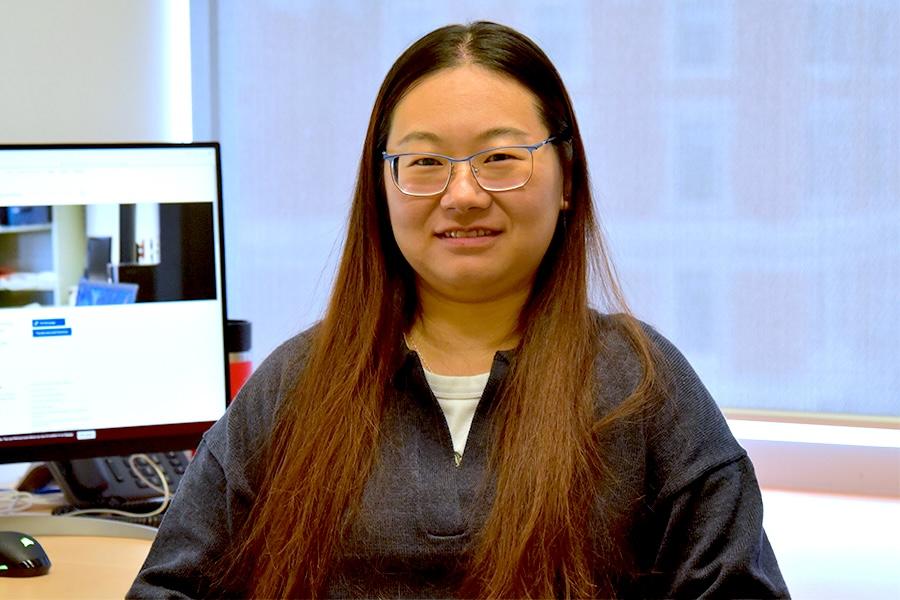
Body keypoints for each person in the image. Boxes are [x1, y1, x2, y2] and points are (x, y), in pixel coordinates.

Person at [128, 21, 789, 599]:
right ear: (382, 187)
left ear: (567, 179)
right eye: (425, 162)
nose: (463, 193)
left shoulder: (644, 388)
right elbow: (172, 588)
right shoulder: (294, 385)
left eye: (502, 158)